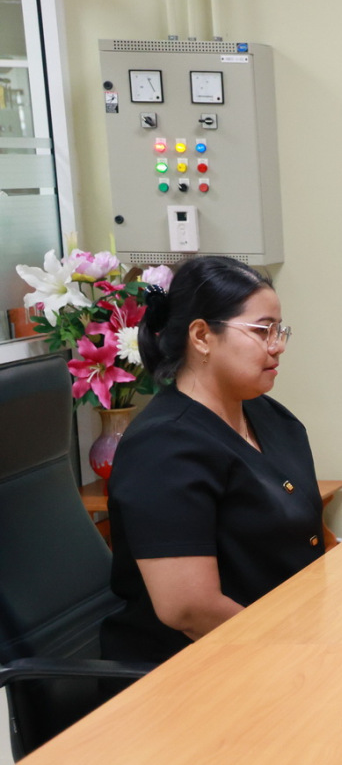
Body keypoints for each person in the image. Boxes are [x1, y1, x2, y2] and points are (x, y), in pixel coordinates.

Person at [102, 256, 323, 665]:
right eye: (262, 331)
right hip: (202, 669)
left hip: (286, 637)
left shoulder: (268, 416)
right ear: (202, 336)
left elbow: (306, 531)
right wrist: (296, 653)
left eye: (279, 330)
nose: (277, 346)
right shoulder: (164, 447)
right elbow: (189, 610)